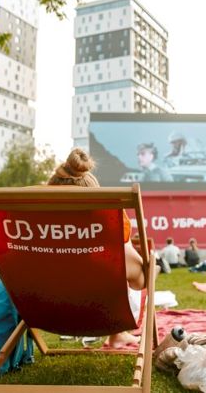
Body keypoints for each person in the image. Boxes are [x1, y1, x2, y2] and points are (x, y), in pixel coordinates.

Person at [48, 147, 145, 348]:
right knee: (127, 273)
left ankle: (118, 336)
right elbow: (139, 282)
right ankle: (118, 332)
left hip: (46, 312)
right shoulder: (111, 224)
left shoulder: (31, 227)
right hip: (103, 315)